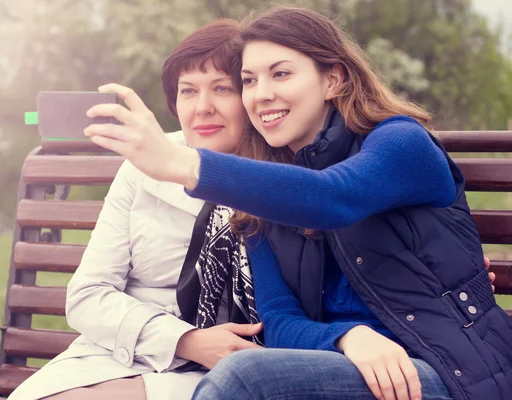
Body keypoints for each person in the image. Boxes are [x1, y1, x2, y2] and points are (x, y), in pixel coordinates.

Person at [82, 6, 512, 400]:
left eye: (281, 74)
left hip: (448, 368)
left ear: (333, 78)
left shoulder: (399, 144)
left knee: (245, 377)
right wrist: (348, 336)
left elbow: (332, 197)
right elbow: (280, 318)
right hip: (349, 366)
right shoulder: (266, 192)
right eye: (249, 80)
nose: (261, 94)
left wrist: (184, 164)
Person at [8, 19, 262, 400]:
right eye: (188, 91)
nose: (203, 108)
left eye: (222, 89)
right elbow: (88, 293)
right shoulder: (142, 168)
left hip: (232, 368)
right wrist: (185, 341)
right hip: (119, 354)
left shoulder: (278, 178)